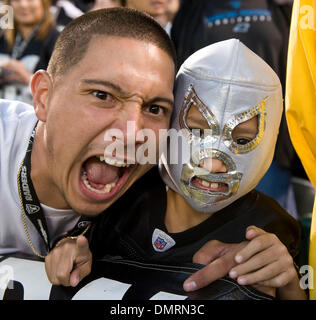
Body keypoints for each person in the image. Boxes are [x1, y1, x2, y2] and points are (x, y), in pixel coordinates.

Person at [45, 39, 305, 299]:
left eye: (242, 140)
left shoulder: (272, 228)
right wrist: (68, 250)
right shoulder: (125, 195)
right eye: (196, 129)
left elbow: (289, 286)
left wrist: (288, 283)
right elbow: (77, 246)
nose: (212, 164)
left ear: (270, 139)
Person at [0, 8, 176, 259]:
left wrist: (244, 258)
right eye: (103, 96)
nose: (133, 133)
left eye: (155, 108)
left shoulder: (164, 195)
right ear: (43, 97)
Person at [170, 0, 305, 218]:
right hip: (197, 136)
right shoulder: (193, 8)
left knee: (262, 224)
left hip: (265, 140)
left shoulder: (281, 5)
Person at [0, 0, 59, 104]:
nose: (23, 4)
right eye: (17, 0)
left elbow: (63, 90)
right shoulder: (2, 37)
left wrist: (28, 79)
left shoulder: (57, 40)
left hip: (35, 115)